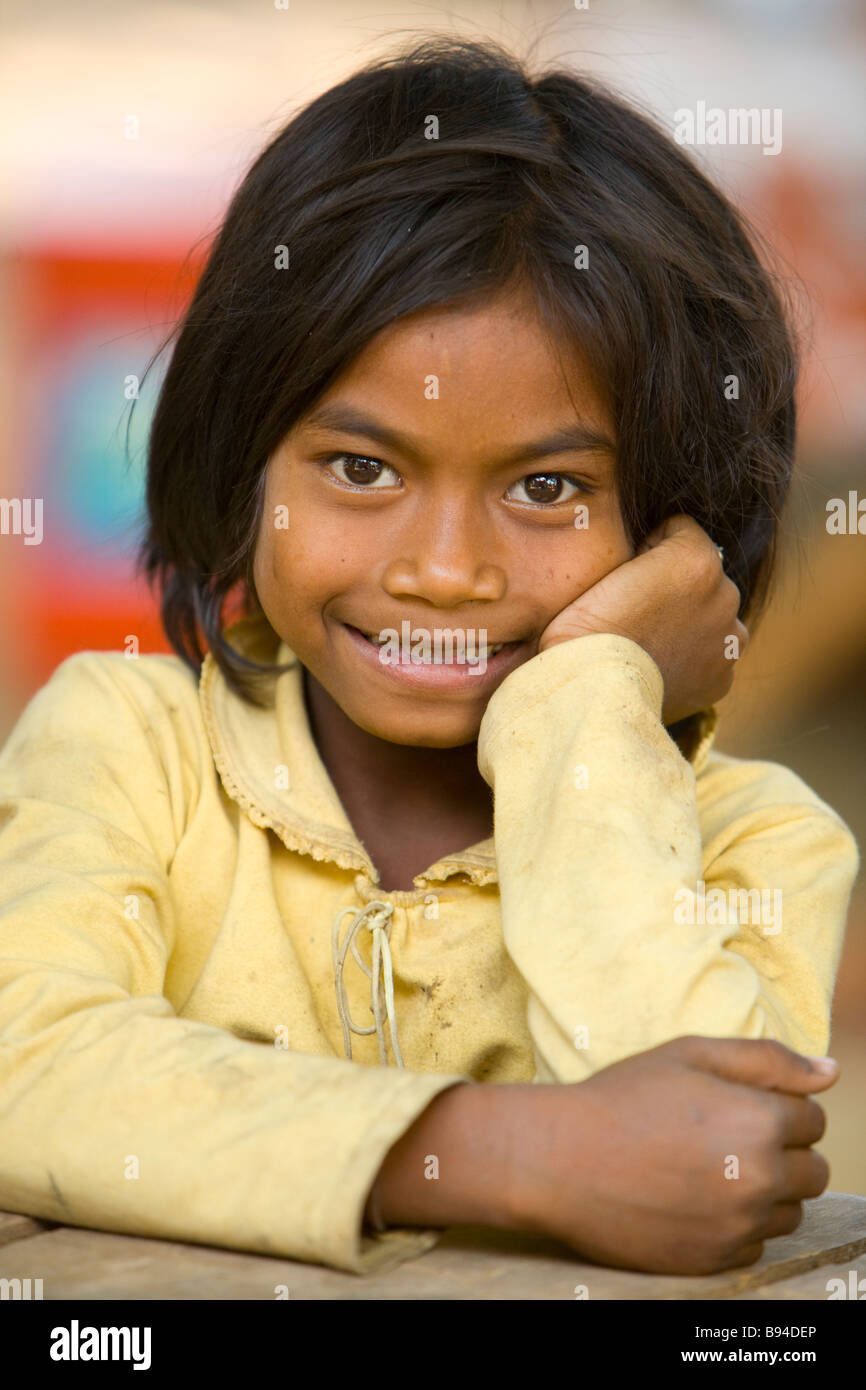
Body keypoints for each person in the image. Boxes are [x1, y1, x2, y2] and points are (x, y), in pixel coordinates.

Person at [0, 36, 858, 1281]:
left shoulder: (752, 844)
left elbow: (712, 1169)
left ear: (677, 529)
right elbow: (27, 1066)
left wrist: (581, 703)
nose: (443, 570)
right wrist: (502, 1152)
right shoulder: (129, 751)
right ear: (242, 466)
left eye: (547, 486)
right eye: (361, 468)